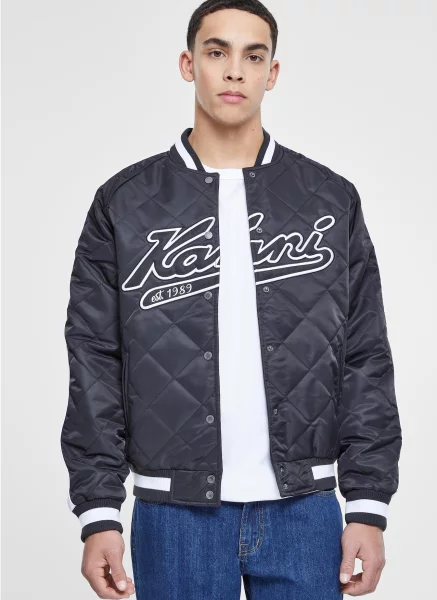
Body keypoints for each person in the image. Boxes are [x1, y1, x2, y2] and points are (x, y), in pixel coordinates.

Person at [60, 1, 402, 598]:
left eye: (254, 55)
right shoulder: (125, 202)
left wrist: (368, 505)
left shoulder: (328, 199)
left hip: (306, 508)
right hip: (174, 512)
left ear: (273, 73)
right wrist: (99, 510)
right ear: (188, 64)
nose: (235, 70)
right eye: (217, 52)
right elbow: (94, 359)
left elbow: (364, 354)